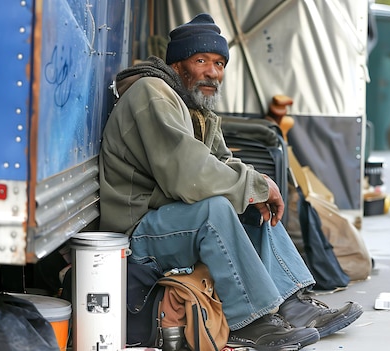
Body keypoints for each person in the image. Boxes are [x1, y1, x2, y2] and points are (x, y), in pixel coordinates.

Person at [99, 13, 363, 351]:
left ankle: (292, 304)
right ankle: (251, 321)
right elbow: (188, 175)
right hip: (137, 232)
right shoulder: (152, 93)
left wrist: (258, 186)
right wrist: (255, 186)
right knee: (217, 208)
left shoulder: (195, 104)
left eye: (220, 63)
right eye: (201, 60)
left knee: (253, 202)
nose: (213, 71)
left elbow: (223, 162)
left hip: (171, 219)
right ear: (178, 64)